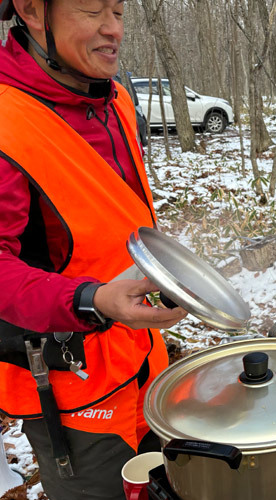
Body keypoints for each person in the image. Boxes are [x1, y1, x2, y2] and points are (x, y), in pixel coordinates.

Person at [0, 0, 187, 498]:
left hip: (146, 361)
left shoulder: (116, 100)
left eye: (119, 12)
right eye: (90, 10)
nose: (113, 30)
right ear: (33, 12)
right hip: (71, 391)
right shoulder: (6, 122)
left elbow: (114, 217)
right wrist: (90, 300)